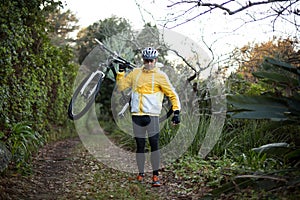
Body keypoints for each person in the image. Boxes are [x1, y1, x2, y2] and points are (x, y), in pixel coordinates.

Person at [116, 47, 181, 187]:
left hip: (152, 117)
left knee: (154, 146)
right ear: (143, 60)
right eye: (147, 60)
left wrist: (176, 112)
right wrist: (120, 71)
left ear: (156, 60)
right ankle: (141, 173)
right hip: (137, 115)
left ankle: (155, 176)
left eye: (152, 60)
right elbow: (121, 86)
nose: (149, 63)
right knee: (140, 146)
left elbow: (172, 94)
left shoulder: (161, 76)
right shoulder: (135, 73)